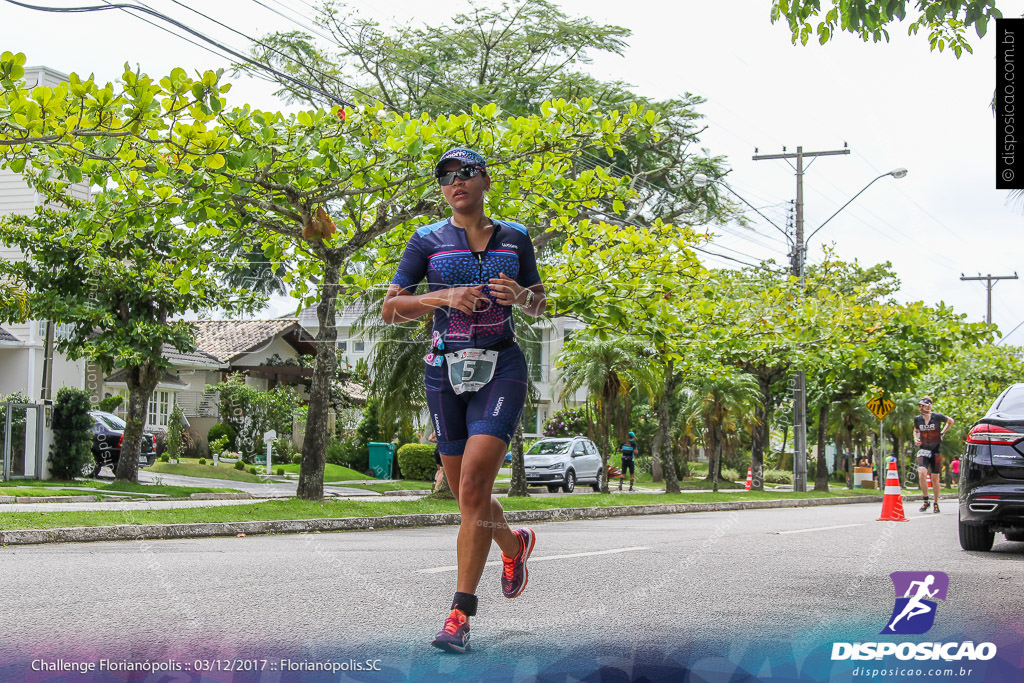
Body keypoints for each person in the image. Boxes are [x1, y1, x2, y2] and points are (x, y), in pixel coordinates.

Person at [382, 147, 547, 653]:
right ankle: (513, 545)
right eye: (447, 177)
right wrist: (442, 297)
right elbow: (390, 309)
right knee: (466, 497)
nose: (457, 183)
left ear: (485, 181)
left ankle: (459, 614)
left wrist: (520, 296)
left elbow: (540, 302)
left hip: (502, 366)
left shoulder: (515, 237)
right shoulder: (427, 241)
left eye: (466, 174)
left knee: (475, 484)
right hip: (443, 370)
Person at [913, 396, 954, 513]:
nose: (921, 408)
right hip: (923, 449)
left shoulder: (937, 417)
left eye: (924, 405)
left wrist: (942, 433)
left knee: (935, 478)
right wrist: (916, 438)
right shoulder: (918, 419)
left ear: (929, 406)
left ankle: (936, 503)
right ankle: (926, 501)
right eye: (920, 405)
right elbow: (916, 430)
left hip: (936, 450)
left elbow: (951, 421)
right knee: (921, 473)